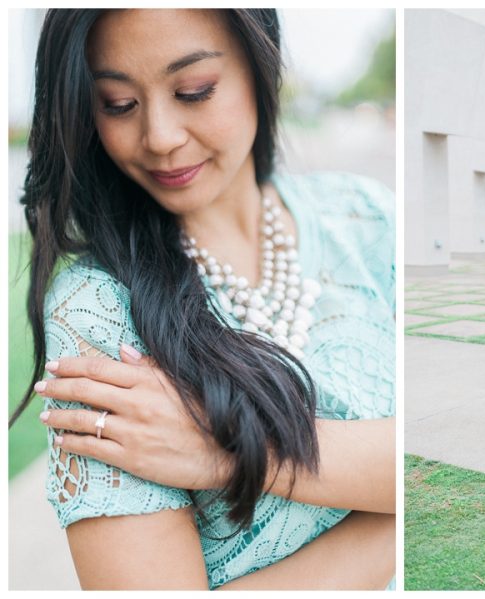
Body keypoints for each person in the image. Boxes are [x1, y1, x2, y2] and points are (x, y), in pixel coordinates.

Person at [10, 9, 395, 590]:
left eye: (194, 91)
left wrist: (239, 454)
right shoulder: (97, 311)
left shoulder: (365, 217)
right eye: (117, 103)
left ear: (260, 63)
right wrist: (397, 520)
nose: (160, 137)